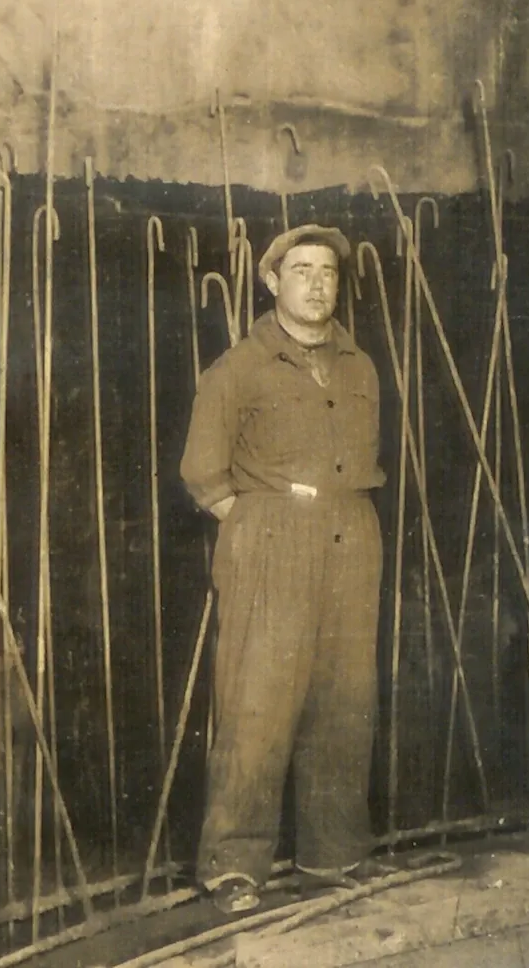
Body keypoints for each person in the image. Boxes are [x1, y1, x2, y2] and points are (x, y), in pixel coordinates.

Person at [178, 223, 397, 913]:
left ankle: (332, 856)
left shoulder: (359, 364)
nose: (316, 283)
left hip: (351, 531)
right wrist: (256, 526)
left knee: (343, 698)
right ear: (272, 281)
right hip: (272, 534)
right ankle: (233, 866)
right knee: (259, 700)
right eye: (300, 270)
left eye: (327, 272)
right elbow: (202, 474)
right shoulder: (238, 367)